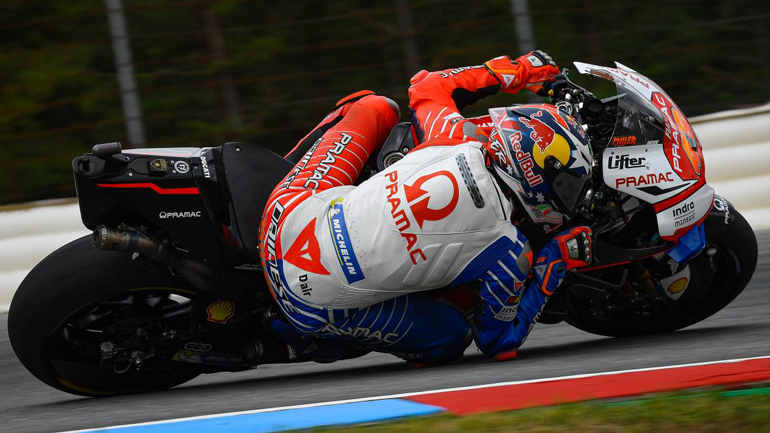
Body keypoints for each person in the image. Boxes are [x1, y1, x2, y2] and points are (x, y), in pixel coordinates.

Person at [258, 50, 593, 363]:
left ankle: (276, 176)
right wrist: (554, 264)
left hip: (283, 214)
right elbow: (498, 342)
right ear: (533, 182)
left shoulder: (454, 137)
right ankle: (302, 340)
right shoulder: (509, 251)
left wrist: (519, 71)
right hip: (306, 304)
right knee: (453, 338)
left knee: (375, 107)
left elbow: (426, 84)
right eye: (567, 186)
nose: (572, 194)